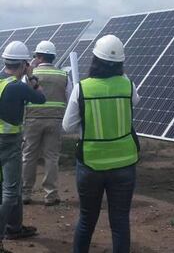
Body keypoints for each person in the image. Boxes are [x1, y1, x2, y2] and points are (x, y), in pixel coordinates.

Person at [62, 34, 140, 253]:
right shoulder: (128, 86)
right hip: (125, 164)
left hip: (91, 164)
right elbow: (135, 102)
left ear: (94, 59)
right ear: (121, 63)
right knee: (120, 221)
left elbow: (68, 126)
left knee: (87, 219)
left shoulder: (82, 88)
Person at [0, 41, 45, 253]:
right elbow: (41, 97)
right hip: (9, 143)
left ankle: (14, 227)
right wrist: (32, 77)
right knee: (10, 192)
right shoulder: (18, 87)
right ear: (23, 64)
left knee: (11, 186)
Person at [22, 40, 72, 206]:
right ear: (53, 57)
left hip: (32, 120)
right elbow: (69, 96)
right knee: (51, 157)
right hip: (55, 120)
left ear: (39, 56)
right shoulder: (63, 75)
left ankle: (25, 193)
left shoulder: (29, 75)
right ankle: (51, 195)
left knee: (29, 155)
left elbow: (22, 96)